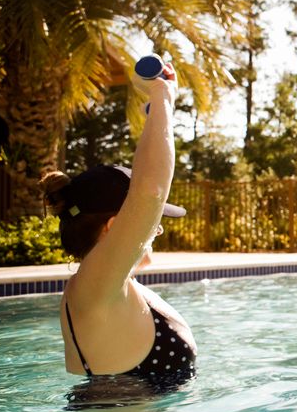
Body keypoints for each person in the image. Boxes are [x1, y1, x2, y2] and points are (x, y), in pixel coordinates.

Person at [39, 60, 195, 393]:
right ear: (114, 225)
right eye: (153, 222)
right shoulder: (98, 288)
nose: (157, 230)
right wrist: (162, 95)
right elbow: (150, 190)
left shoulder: (107, 287)